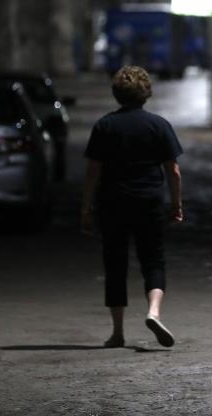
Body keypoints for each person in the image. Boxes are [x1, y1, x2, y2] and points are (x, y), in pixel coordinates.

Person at [81, 66, 184, 348]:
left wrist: (86, 208)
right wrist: (176, 203)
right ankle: (153, 312)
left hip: (112, 201)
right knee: (153, 259)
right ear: (146, 93)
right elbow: (172, 170)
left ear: (117, 94)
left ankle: (117, 333)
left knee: (115, 263)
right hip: (149, 200)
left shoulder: (104, 125)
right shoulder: (159, 125)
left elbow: (93, 171)